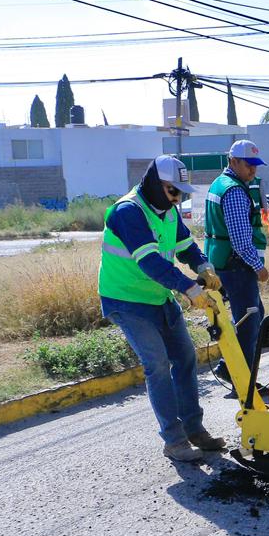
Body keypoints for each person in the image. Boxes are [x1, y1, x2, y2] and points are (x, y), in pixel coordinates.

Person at [99, 155, 226, 463]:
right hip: (127, 300)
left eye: (181, 192)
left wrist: (204, 266)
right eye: (173, 191)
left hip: (158, 297)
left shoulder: (167, 212)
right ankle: (174, 439)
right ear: (157, 185)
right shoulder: (128, 212)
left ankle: (194, 429)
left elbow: (186, 247)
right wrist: (190, 289)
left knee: (185, 358)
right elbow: (150, 262)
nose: (177, 198)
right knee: (156, 365)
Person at [205, 140, 268, 396]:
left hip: (221, 263)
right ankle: (242, 381)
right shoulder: (234, 191)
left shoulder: (219, 184)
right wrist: (259, 267)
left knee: (248, 317)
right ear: (233, 162)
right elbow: (241, 240)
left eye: (255, 165)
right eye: (248, 164)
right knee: (249, 321)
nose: (253, 170)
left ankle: (228, 368)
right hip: (237, 266)